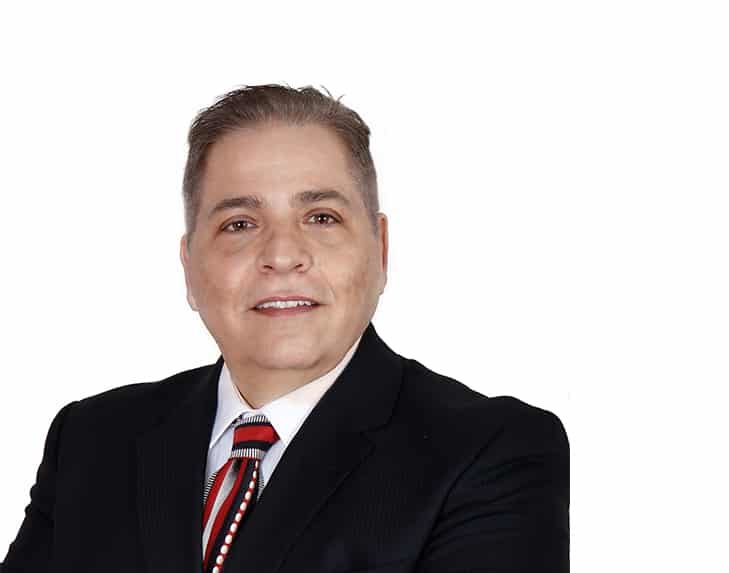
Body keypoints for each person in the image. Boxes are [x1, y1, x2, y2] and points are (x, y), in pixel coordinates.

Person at [1, 85, 569, 573]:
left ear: (381, 251)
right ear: (190, 268)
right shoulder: (92, 441)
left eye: (321, 217)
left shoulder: (490, 452)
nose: (281, 255)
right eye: (239, 223)